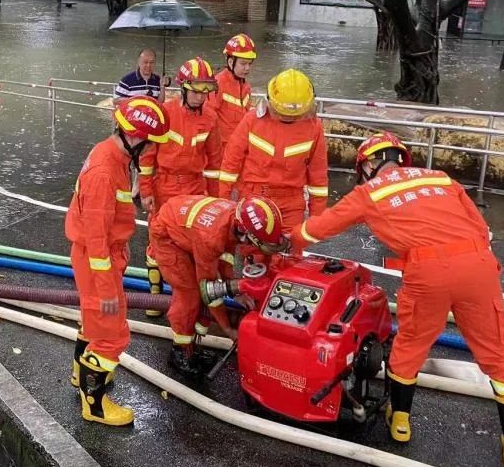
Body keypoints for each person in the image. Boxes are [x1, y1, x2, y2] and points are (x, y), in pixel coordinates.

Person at [289, 132, 504, 467]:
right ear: (400, 158)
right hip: (479, 266)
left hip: (427, 271)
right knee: (499, 351)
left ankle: (400, 421)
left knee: (411, 344)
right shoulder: (441, 178)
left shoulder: (369, 192)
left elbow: (320, 228)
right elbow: (481, 229)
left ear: (370, 163)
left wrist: (290, 238)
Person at [65, 96, 170, 426]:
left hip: (99, 258)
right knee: (113, 335)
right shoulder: (105, 172)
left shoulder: (110, 154)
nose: (153, 150)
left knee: (93, 321)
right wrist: (108, 290)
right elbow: (97, 242)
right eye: (151, 143)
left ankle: (81, 373)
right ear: (136, 138)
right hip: (99, 262)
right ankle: (94, 405)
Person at [148, 195, 286, 375]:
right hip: (167, 236)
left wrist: (236, 292)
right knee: (189, 293)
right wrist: (227, 328)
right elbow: (209, 290)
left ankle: (191, 344)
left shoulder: (233, 218)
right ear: (245, 234)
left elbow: (225, 256)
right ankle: (181, 351)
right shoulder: (211, 237)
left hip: (184, 226)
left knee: (199, 286)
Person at [219, 69, 328, 232]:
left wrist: (316, 220)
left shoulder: (314, 128)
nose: (289, 118)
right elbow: (230, 163)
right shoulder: (252, 121)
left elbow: (318, 178)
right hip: (254, 199)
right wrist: (224, 203)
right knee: (251, 251)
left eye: (294, 116)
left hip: (292, 205)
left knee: (290, 253)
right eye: (283, 114)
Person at [138, 57, 223, 213]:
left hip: (196, 189)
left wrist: (214, 199)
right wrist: (145, 192)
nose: (200, 98)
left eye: (205, 93)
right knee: (161, 234)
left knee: (193, 236)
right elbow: (146, 158)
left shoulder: (211, 118)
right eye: (196, 92)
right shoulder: (164, 113)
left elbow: (214, 164)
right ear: (183, 88)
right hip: (165, 189)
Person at [205, 34, 256, 150]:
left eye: (250, 64)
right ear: (230, 62)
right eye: (243, 64)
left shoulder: (246, 86)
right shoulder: (218, 84)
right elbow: (208, 117)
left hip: (240, 145)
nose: (247, 68)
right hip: (222, 147)